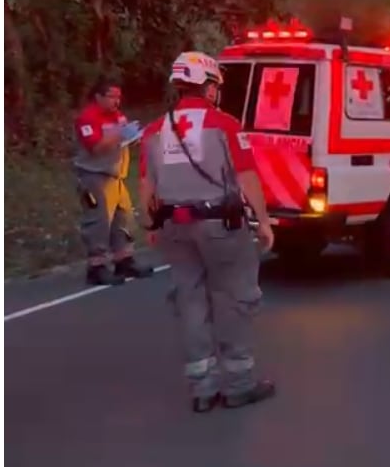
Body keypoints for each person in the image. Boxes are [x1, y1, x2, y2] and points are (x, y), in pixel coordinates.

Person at [138, 51, 276, 413]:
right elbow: (247, 176)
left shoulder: (154, 130)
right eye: (215, 85)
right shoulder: (224, 124)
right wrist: (262, 221)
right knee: (233, 297)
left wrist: (151, 224)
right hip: (220, 226)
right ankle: (239, 385)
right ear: (208, 86)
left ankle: (203, 389)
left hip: (173, 227)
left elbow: (147, 187)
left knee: (190, 301)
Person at [73, 76, 154, 286]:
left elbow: (123, 139)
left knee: (122, 219)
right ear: (98, 96)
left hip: (117, 176)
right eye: (112, 97)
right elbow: (96, 147)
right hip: (95, 177)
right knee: (98, 221)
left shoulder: (117, 116)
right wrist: (120, 135)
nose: (116, 101)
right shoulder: (88, 118)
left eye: (119, 97)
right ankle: (96, 267)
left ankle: (124, 260)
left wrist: (134, 136)